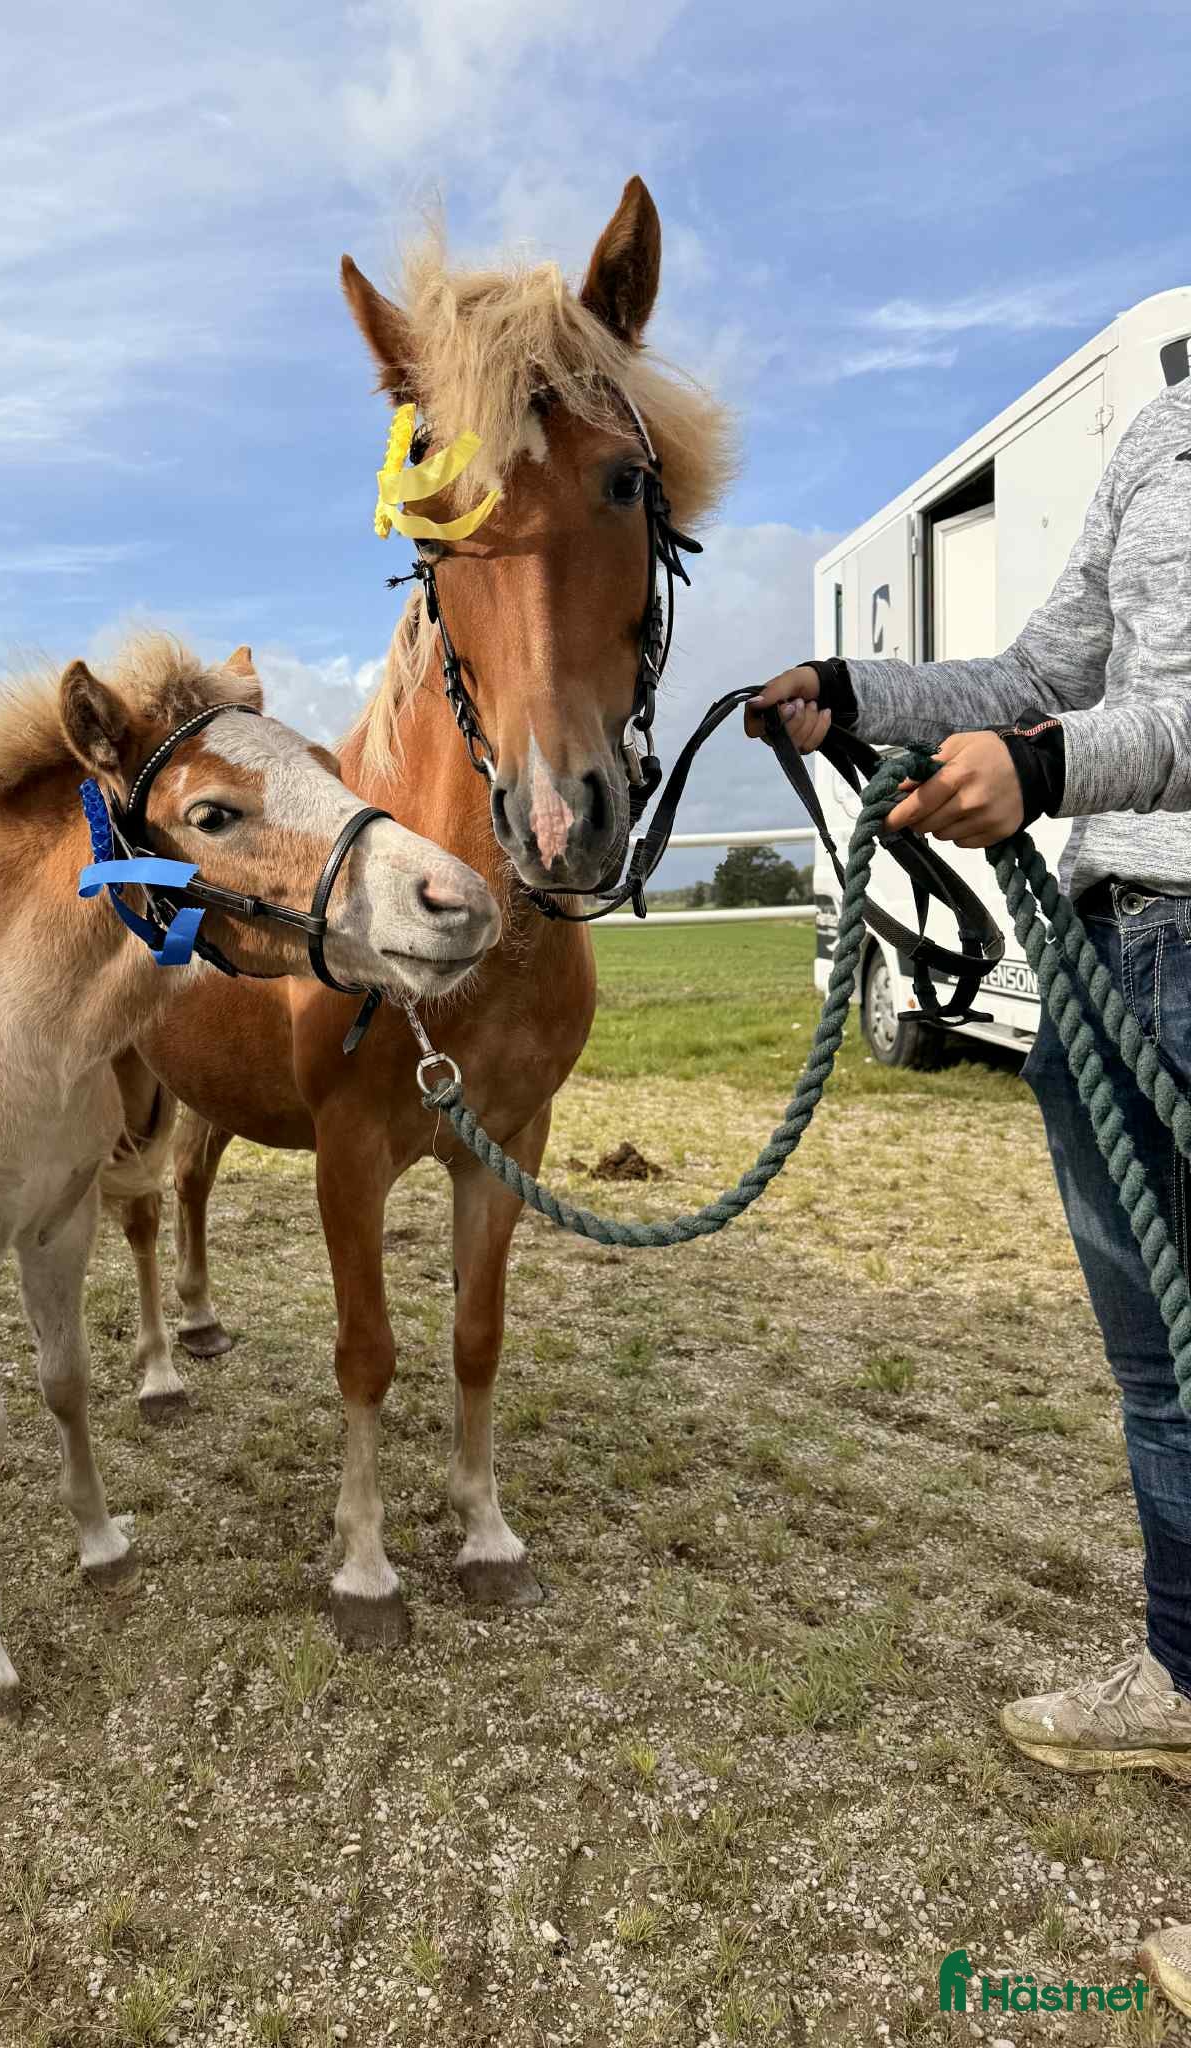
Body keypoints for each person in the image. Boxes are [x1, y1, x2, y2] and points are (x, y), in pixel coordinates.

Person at [747, 373, 1191, 2013]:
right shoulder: (1160, 433)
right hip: (1110, 952)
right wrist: (854, 689)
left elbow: (1070, 726)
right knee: (1158, 1380)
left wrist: (1051, 767)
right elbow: (1029, 675)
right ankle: (1184, 1678)